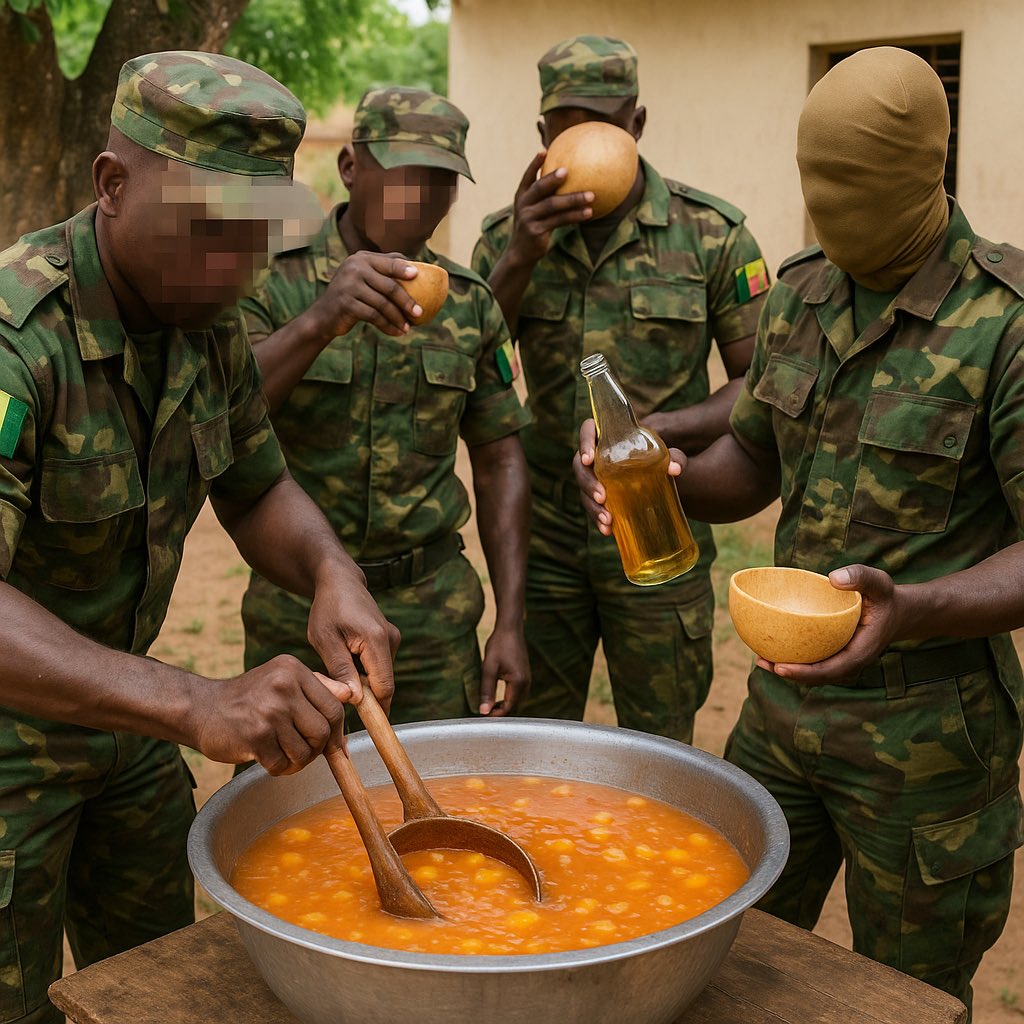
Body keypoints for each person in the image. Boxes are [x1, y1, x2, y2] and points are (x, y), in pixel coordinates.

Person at [575, 47, 1024, 1017]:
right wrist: (671, 483)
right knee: (724, 958)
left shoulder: (1004, 326)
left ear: (922, 175)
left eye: (853, 190)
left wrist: (910, 610)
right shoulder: (803, 294)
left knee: (904, 994)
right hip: (780, 724)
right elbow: (755, 462)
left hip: (926, 742)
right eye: (816, 189)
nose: (830, 212)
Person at [0, 51, 410, 1023]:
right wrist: (194, 700)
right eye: (209, 230)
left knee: (153, 990)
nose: (236, 267)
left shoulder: (207, 319)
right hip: (14, 741)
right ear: (112, 184)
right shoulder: (20, 337)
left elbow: (255, 481)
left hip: (129, 727)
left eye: (256, 237)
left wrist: (329, 569)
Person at [472, 35, 768, 740]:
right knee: (535, 746)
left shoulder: (712, 236)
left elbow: (761, 380)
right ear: (541, 135)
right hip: (544, 544)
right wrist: (520, 254)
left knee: (661, 748)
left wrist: (659, 429)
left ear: (637, 125)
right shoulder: (503, 240)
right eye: (565, 125)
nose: (583, 140)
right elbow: (469, 365)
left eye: (603, 123)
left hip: (659, 526)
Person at [239, 87, 532, 725]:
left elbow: (500, 459)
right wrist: (321, 320)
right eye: (403, 175)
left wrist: (511, 620)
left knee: (437, 803)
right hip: (300, 610)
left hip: (430, 616)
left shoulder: (468, 302)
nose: (421, 198)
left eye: (439, 181)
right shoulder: (268, 279)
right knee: (291, 808)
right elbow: (226, 414)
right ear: (351, 168)